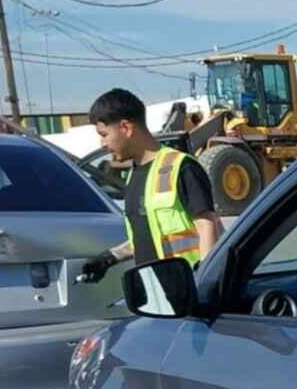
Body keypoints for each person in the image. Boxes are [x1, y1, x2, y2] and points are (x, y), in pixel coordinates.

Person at [78, 88, 223, 281]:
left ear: (125, 128)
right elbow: (149, 237)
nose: (102, 143)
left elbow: (207, 227)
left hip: (190, 291)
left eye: (104, 134)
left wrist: (206, 282)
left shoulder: (180, 167)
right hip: (156, 293)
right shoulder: (134, 176)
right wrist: (110, 258)